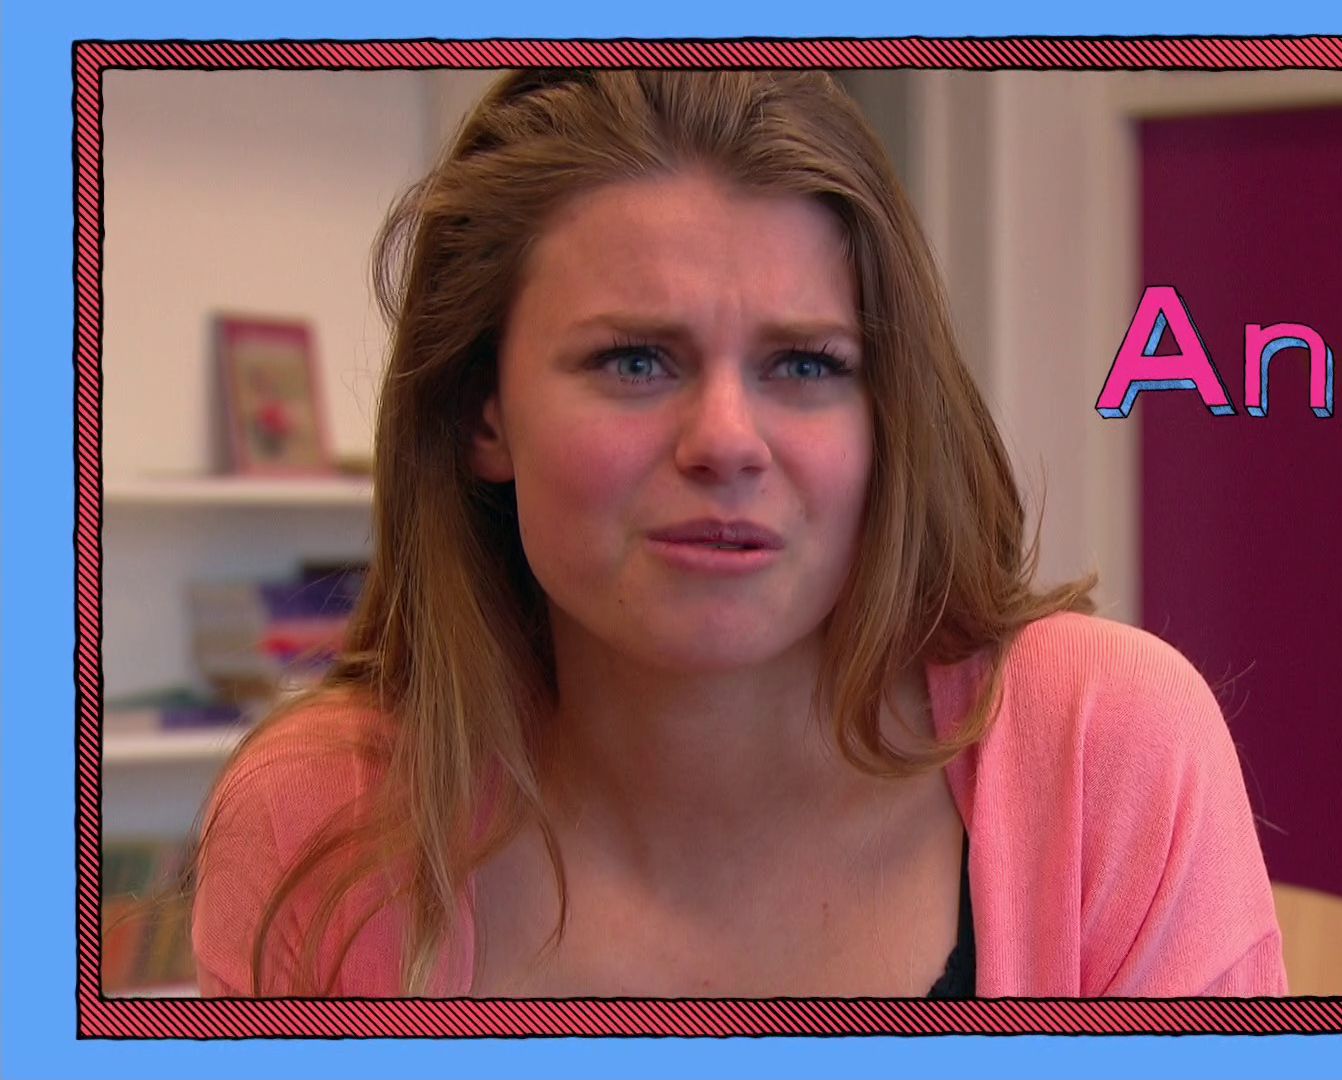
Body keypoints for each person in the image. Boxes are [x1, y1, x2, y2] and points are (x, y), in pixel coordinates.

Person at [187, 69, 1286, 998]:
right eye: (635, 360)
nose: (726, 440)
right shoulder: (318, 817)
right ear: (484, 414)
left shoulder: (1104, 749)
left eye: (805, 364)